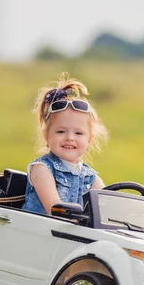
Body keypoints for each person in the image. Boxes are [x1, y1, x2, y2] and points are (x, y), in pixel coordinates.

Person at [21, 73, 109, 215]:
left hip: (69, 235)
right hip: (41, 233)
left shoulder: (90, 177)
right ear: (46, 135)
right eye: (61, 132)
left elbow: (108, 206)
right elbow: (56, 210)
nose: (69, 138)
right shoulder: (42, 170)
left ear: (89, 139)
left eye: (78, 133)